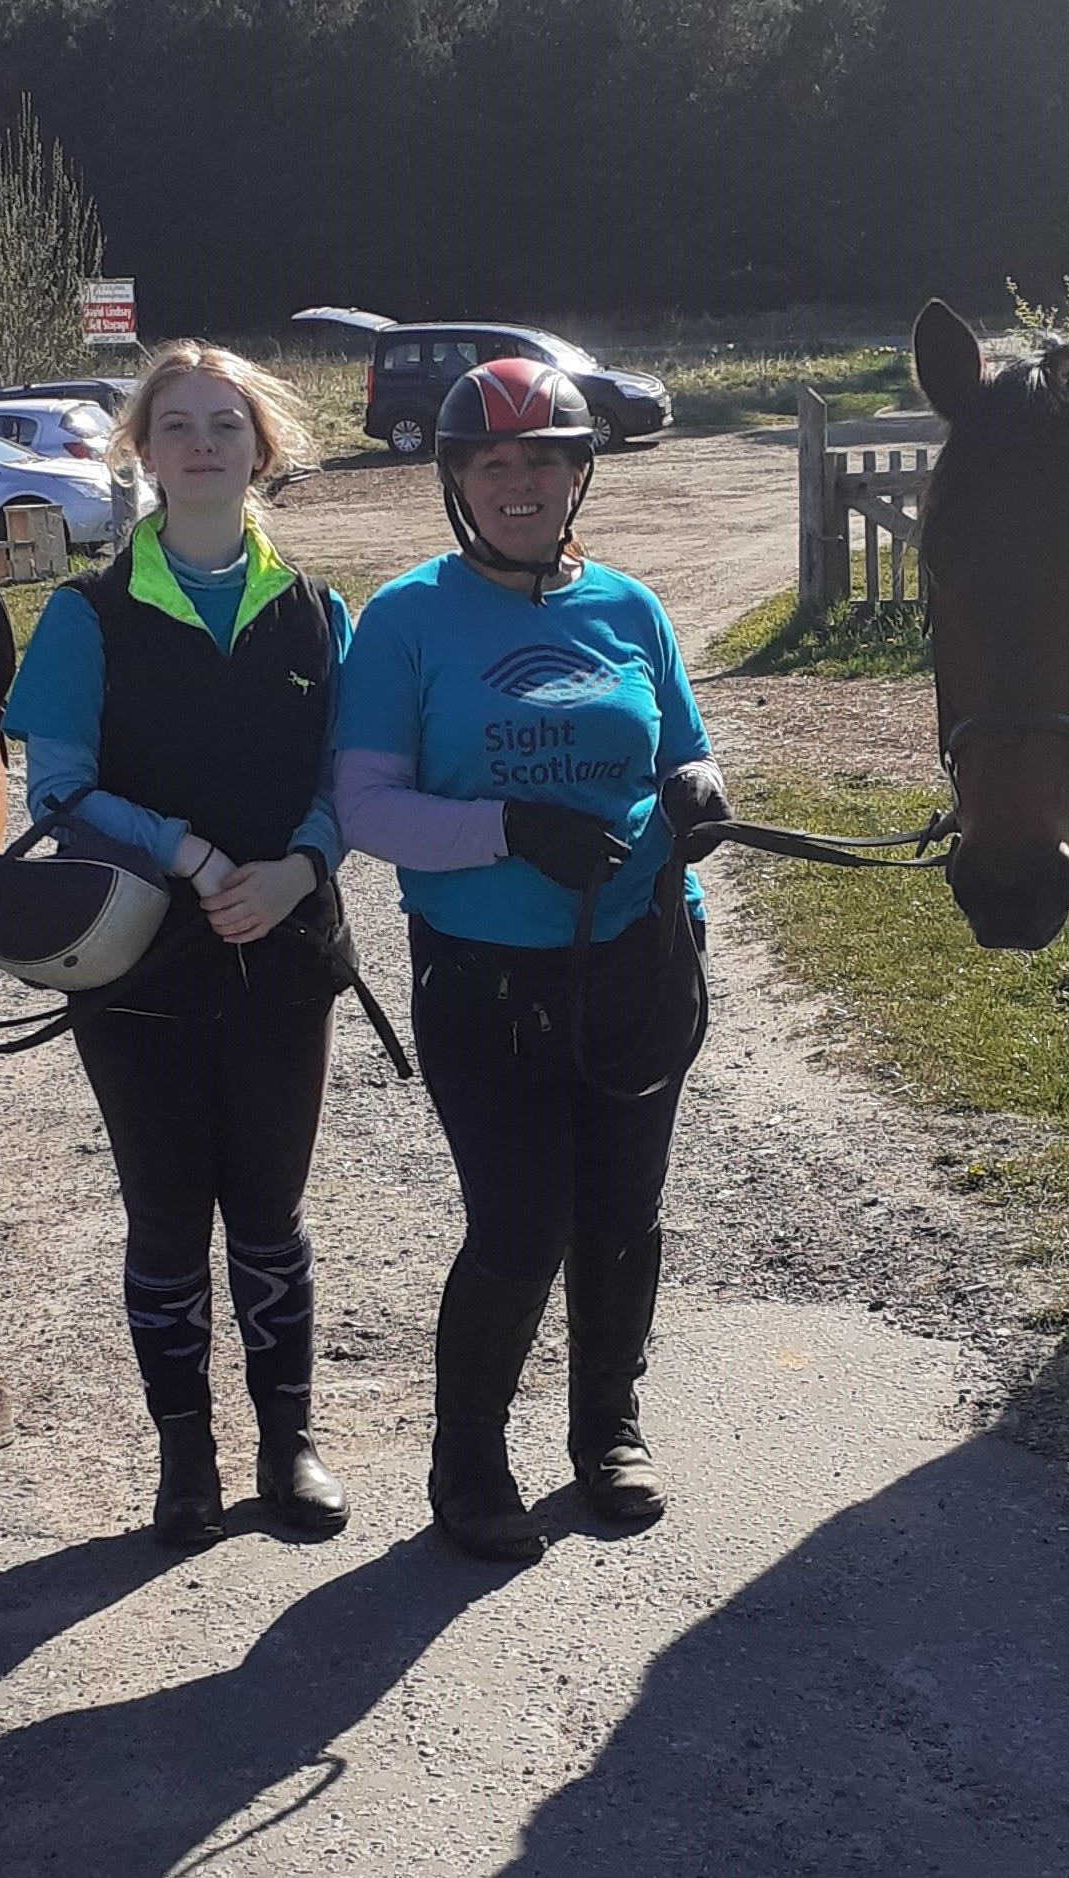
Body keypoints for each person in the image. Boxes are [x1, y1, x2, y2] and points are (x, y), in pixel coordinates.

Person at [335, 358, 732, 1562]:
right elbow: (364, 809)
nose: (521, 481)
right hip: (484, 981)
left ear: (578, 474)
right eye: (494, 462)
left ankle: (605, 1432)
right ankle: (467, 1460)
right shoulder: (405, 620)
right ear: (457, 479)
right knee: (519, 1225)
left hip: (634, 959)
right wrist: (504, 827)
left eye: (544, 459)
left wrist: (702, 800)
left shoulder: (629, 608)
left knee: (623, 1213)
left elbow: (686, 754)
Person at [0, 341, 356, 1548]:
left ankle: (287, 1445)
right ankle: (185, 1462)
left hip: (282, 956)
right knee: (163, 1217)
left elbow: (349, 781)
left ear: (263, 448)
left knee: (268, 1213)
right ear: (141, 453)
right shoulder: (86, 616)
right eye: (177, 426)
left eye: (225, 424)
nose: (202, 443)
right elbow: (58, 787)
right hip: (137, 964)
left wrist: (299, 865)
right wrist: (191, 855)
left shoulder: (317, 612)